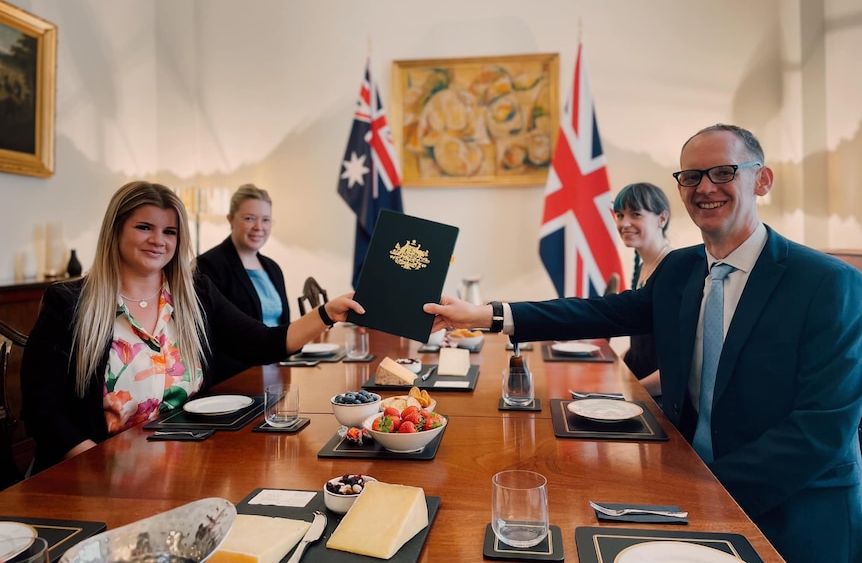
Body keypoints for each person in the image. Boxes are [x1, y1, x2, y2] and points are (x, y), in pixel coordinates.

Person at [425, 124, 862, 563]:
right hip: (689, 487)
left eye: (723, 172)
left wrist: (701, 487)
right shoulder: (680, 269)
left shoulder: (829, 284)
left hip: (796, 512)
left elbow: (820, 430)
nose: (704, 187)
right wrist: (484, 315)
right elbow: (598, 313)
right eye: (691, 177)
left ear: (762, 180)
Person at [20, 181, 362, 473]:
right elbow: (42, 410)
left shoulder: (195, 292)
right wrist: (96, 468)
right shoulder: (69, 303)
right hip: (94, 474)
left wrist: (327, 313)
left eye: (169, 231)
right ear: (116, 229)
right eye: (144, 227)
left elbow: (263, 342)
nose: (159, 240)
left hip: (186, 466)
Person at [196, 184, 290, 381]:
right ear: (230, 219)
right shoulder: (208, 266)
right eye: (249, 218)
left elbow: (283, 325)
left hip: (277, 370)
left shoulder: (273, 267)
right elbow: (216, 337)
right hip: (236, 378)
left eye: (266, 220)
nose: (259, 227)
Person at [612, 183, 671, 399]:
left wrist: (627, 392)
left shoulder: (672, 270)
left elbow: (676, 370)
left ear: (661, 219)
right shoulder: (643, 266)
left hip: (657, 398)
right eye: (619, 215)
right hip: (638, 386)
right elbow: (642, 344)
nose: (624, 223)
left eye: (635, 214)